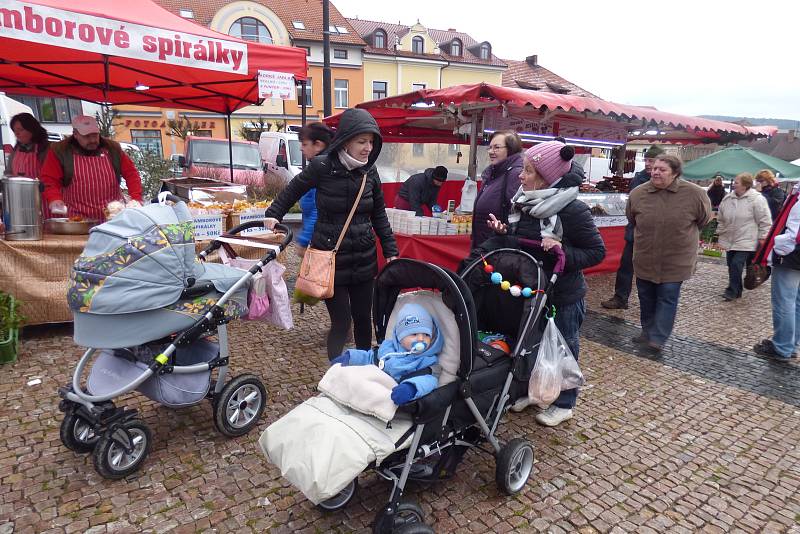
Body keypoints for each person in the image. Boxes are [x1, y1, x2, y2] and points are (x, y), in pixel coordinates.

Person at [471, 140, 605, 427]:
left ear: (547, 176)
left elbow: (596, 252)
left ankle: (565, 402)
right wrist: (505, 232)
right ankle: (533, 392)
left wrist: (560, 249)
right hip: (533, 291)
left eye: (529, 171)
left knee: (564, 347)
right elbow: (522, 239)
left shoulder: (572, 210)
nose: (521, 175)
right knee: (530, 342)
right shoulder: (524, 201)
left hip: (563, 295)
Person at [264, 108, 398, 360]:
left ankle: (364, 369)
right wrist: (275, 213)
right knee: (341, 321)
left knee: (362, 320)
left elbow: (379, 214)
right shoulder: (322, 166)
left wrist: (390, 250)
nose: (368, 147)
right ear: (346, 140)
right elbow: (293, 189)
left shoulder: (370, 172)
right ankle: (335, 371)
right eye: (362, 141)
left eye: (371, 141)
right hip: (330, 258)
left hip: (363, 258)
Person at [627, 154, 711, 352]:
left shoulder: (695, 194)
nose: (655, 172)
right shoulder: (638, 193)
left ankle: (658, 337)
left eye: (662, 169)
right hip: (645, 256)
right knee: (646, 296)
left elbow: (704, 219)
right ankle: (647, 331)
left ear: (675, 173)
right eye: (654, 168)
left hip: (676, 260)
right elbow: (632, 218)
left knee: (667, 296)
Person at [330, 303, 443, 404]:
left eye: (426, 335)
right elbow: (371, 357)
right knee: (346, 382)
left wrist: (411, 387)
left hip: (394, 393)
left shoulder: (427, 360)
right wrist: (350, 357)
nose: (421, 339)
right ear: (400, 336)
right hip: (372, 386)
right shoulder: (388, 349)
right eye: (414, 334)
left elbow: (429, 380)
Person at [41, 115, 143, 221]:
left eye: (95, 135)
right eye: (87, 136)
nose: (93, 140)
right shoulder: (60, 151)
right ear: (75, 134)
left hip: (113, 217)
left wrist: (135, 198)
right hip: (78, 219)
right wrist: (54, 198)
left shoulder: (112, 149)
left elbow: (131, 174)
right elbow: (49, 179)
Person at [601, 145, 665, 310]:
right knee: (626, 265)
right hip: (635, 230)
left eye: (652, 160)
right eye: (647, 160)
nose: (648, 164)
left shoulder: (668, 180)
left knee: (654, 269)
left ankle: (655, 301)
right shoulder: (639, 178)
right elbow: (632, 204)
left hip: (658, 234)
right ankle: (621, 297)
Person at [753, 183, 800, 360]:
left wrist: (778, 246)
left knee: (785, 301)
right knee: (795, 301)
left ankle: (782, 346)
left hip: (792, 255)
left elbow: (795, 232)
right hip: (795, 254)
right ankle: (791, 344)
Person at [716, 172, 772, 301]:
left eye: (736, 182)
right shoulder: (728, 199)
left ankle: (732, 290)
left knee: (736, 264)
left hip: (747, 238)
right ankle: (737, 290)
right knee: (731, 264)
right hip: (730, 237)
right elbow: (721, 218)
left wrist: (763, 236)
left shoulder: (757, 199)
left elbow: (765, 220)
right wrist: (720, 233)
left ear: (745, 185)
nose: (733, 184)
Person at [470, 130, 524, 247]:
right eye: (490, 148)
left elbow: (518, 212)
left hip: (499, 247)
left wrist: (505, 231)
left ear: (510, 149)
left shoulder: (516, 174)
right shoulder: (493, 173)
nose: (491, 152)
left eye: (496, 148)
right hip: (484, 243)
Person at [295, 122, 334, 258]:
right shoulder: (321, 166)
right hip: (318, 239)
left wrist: (304, 241)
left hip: (318, 242)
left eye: (305, 144)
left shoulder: (322, 171)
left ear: (318, 145)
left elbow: (318, 211)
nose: (301, 148)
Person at [4, 113, 50, 179]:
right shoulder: (16, 149)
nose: (17, 134)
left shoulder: (46, 149)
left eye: (20, 130)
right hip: (17, 188)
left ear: (32, 129)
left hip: (39, 188)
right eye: (15, 131)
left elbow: (52, 177)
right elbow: (8, 172)